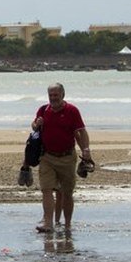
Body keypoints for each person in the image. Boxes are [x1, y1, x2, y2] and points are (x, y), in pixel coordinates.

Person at [31, 82, 92, 232]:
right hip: (47, 157)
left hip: (67, 157)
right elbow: (34, 127)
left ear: (63, 95)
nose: (53, 98)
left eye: (56, 95)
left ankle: (68, 224)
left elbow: (81, 132)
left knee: (66, 193)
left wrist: (86, 149)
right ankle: (48, 223)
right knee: (46, 189)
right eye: (51, 95)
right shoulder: (43, 110)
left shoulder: (72, 111)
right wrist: (36, 123)